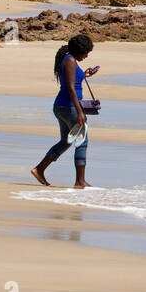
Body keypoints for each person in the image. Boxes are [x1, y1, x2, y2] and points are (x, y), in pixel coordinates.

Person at [31, 34, 99, 188]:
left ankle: (39, 169)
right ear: (79, 50)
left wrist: (85, 74)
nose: (86, 55)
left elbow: (73, 80)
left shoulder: (71, 60)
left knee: (66, 141)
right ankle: (80, 181)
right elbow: (70, 87)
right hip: (68, 107)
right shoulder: (69, 60)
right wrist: (79, 111)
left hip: (63, 107)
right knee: (81, 142)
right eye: (86, 52)